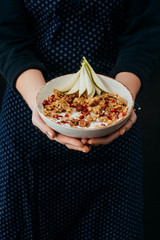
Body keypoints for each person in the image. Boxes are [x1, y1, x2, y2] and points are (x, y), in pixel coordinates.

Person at [0, 0, 160, 239]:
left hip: (113, 123)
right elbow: (7, 35)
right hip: (29, 121)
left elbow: (145, 31)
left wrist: (120, 103)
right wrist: (42, 105)